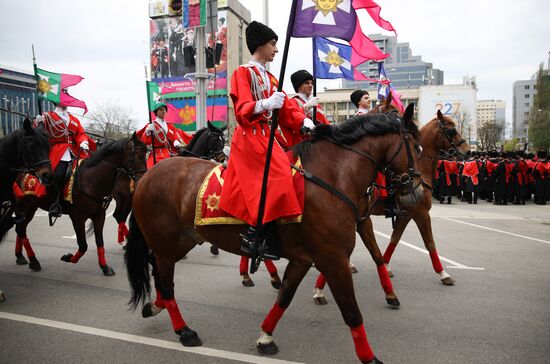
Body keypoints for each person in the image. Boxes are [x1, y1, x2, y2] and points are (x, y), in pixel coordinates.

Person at [219, 21, 314, 259]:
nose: (276, 49)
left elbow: (288, 109)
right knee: (280, 174)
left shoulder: (272, 79)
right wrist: (265, 103)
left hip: (270, 137)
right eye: (273, 44)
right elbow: (241, 109)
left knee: (294, 172)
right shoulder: (242, 72)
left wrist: (303, 120)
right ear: (260, 45)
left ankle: (274, 230)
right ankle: (254, 233)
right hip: (250, 136)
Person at [35, 102, 91, 218]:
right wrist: (38, 123)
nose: (66, 104)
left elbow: (80, 133)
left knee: (88, 171)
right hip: (58, 151)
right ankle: (55, 203)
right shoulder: (47, 117)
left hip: (75, 151)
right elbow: (37, 134)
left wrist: (83, 141)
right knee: (59, 174)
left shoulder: (73, 119)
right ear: (56, 101)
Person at [276, 69, 330, 148]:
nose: (311, 85)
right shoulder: (292, 102)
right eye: (306, 83)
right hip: (301, 147)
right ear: (298, 86)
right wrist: (305, 108)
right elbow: (292, 120)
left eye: (311, 83)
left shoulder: (316, 104)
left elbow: (325, 123)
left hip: (319, 146)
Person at [136, 103, 188, 169]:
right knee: (150, 170)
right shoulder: (152, 125)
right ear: (156, 112)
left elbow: (174, 135)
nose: (163, 111)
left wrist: (176, 141)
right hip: (157, 153)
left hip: (169, 151)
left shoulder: (169, 125)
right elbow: (145, 141)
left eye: (164, 110)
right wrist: (147, 132)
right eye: (161, 109)